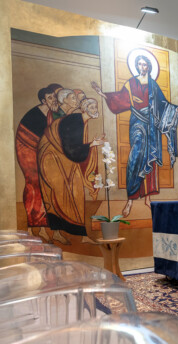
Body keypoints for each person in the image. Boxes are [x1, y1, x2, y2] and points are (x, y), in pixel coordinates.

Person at [91, 52, 178, 217]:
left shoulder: (153, 85)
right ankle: (130, 199)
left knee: (151, 159)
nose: (142, 67)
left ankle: (148, 199)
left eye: (144, 64)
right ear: (136, 66)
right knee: (135, 158)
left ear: (149, 66)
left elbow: (164, 105)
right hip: (137, 123)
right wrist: (102, 93)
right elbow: (120, 99)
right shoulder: (131, 83)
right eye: (139, 64)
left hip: (152, 126)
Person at [38, 98, 104, 244]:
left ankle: (80, 235)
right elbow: (72, 150)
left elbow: (73, 148)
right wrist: (92, 144)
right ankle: (59, 232)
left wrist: (91, 144)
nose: (95, 109)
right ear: (84, 109)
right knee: (58, 193)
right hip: (52, 158)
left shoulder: (80, 121)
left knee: (74, 194)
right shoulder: (75, 121)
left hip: (62, 157)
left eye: (96, 106)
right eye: (92, 107)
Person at [15, 85, 61, 241]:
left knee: (48, 183)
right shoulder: (36, 114)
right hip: (27, 148)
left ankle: (46, 226)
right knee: (34, 182)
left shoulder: (53, 113)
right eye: (50, 98)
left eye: (54, 97)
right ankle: (35, 225)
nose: (53, 100)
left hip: (41, 149)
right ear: (43, 101)